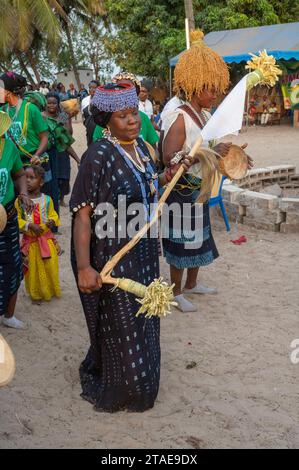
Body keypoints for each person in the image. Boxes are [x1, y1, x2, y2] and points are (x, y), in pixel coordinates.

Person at [70, 83, 192, 412]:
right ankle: (120, 388)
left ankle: (140, 386)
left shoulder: (140, 148)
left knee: (144, 318)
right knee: (120, 321)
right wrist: (84, 267)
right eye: (122, 116)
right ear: (106, 121)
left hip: (142, 250)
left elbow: (149, 184)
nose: (132, 120)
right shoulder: (97, 155)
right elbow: (81, 214)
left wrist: (173, 171)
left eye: (133, 113)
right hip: (109, 254)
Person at [162, 30, 253, 313]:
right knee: (182, 242)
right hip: (182, 189)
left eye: (216, 88)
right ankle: (176, 292)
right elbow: (169, 159)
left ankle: (192, 285)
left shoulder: (204, 115)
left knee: (198, 239)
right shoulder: (179, 117)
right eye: (208, 89)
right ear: (192, 87)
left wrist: (225, 149)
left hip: (199, 188)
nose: (214, 94)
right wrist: (204, 154)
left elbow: (209, 144)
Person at [0, 110, 34, 329]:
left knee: (12, 265)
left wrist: (23, 193)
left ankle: (8, 315)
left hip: (8, 217)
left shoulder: (8, 147)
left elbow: (19, 174)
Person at [15, 165, 61, 301]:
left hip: (46, 240)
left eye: (32, 178)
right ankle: (36, 294)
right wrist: (29, 225)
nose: (28, 181)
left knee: (50, 266)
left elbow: (53, 214)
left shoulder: (47, 200)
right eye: (26, 178)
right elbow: (17, 220)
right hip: (31, 243)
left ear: (41, 182)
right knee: (33, 269)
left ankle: (50, 290)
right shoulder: (20, 201)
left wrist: (52, 221)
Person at [92, 72, 159, 149]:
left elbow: (153, 148)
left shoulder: (143, 118)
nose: (124, 94)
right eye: (122, 116)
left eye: (129, 91)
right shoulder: (105, 121)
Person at [0, 72, 48, 167]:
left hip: (34, 164)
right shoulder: (2, 111)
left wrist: (37, 155)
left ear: (8, 92)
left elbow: (44, 137)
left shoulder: (31, 109)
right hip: (14, 164)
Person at [42, 93, 80, 208]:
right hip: (48, 152)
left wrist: (67, 118)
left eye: (54, 103)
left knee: (64, 177)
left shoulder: (62, 116)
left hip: (62, 151)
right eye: (49, 103)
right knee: (49, 178)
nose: (51, 105)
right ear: (45, 104)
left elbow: (69, 134)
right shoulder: (41, 116)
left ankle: (61, 199)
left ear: (58, 104)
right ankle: (51, 200)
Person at [81, 80, 100, 146]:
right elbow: (83, 114)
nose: (91, 89)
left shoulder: (102, 101)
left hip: (100, 132)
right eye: (90, 87)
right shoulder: (84, 100)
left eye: (94, 87)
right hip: (89, 131)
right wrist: (86, 123)